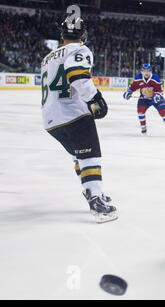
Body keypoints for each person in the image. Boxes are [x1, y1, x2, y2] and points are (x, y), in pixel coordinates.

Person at [40, 16, 117, 223]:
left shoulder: (48, 57)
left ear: (62, 34)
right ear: (83, 34)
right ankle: (96, 199)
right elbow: (78, 76)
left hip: (50, 119)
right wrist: (95, 99)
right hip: (72, 114)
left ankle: (90, 189)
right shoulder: (79, 50)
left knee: (78, 155)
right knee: (91, 156)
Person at [123, 64, 165, 135]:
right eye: (144, 71)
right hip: (144, 98)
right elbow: (132, 87)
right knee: (140, 111)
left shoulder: (155, 78)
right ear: (141, 71)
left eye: (148, 71)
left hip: (155, 97)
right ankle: (143, 127)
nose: (146, 73)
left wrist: (158, 96)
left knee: (163, 112)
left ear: (151, 71)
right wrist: (128, 92)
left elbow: (160, 91)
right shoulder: (138, 78)